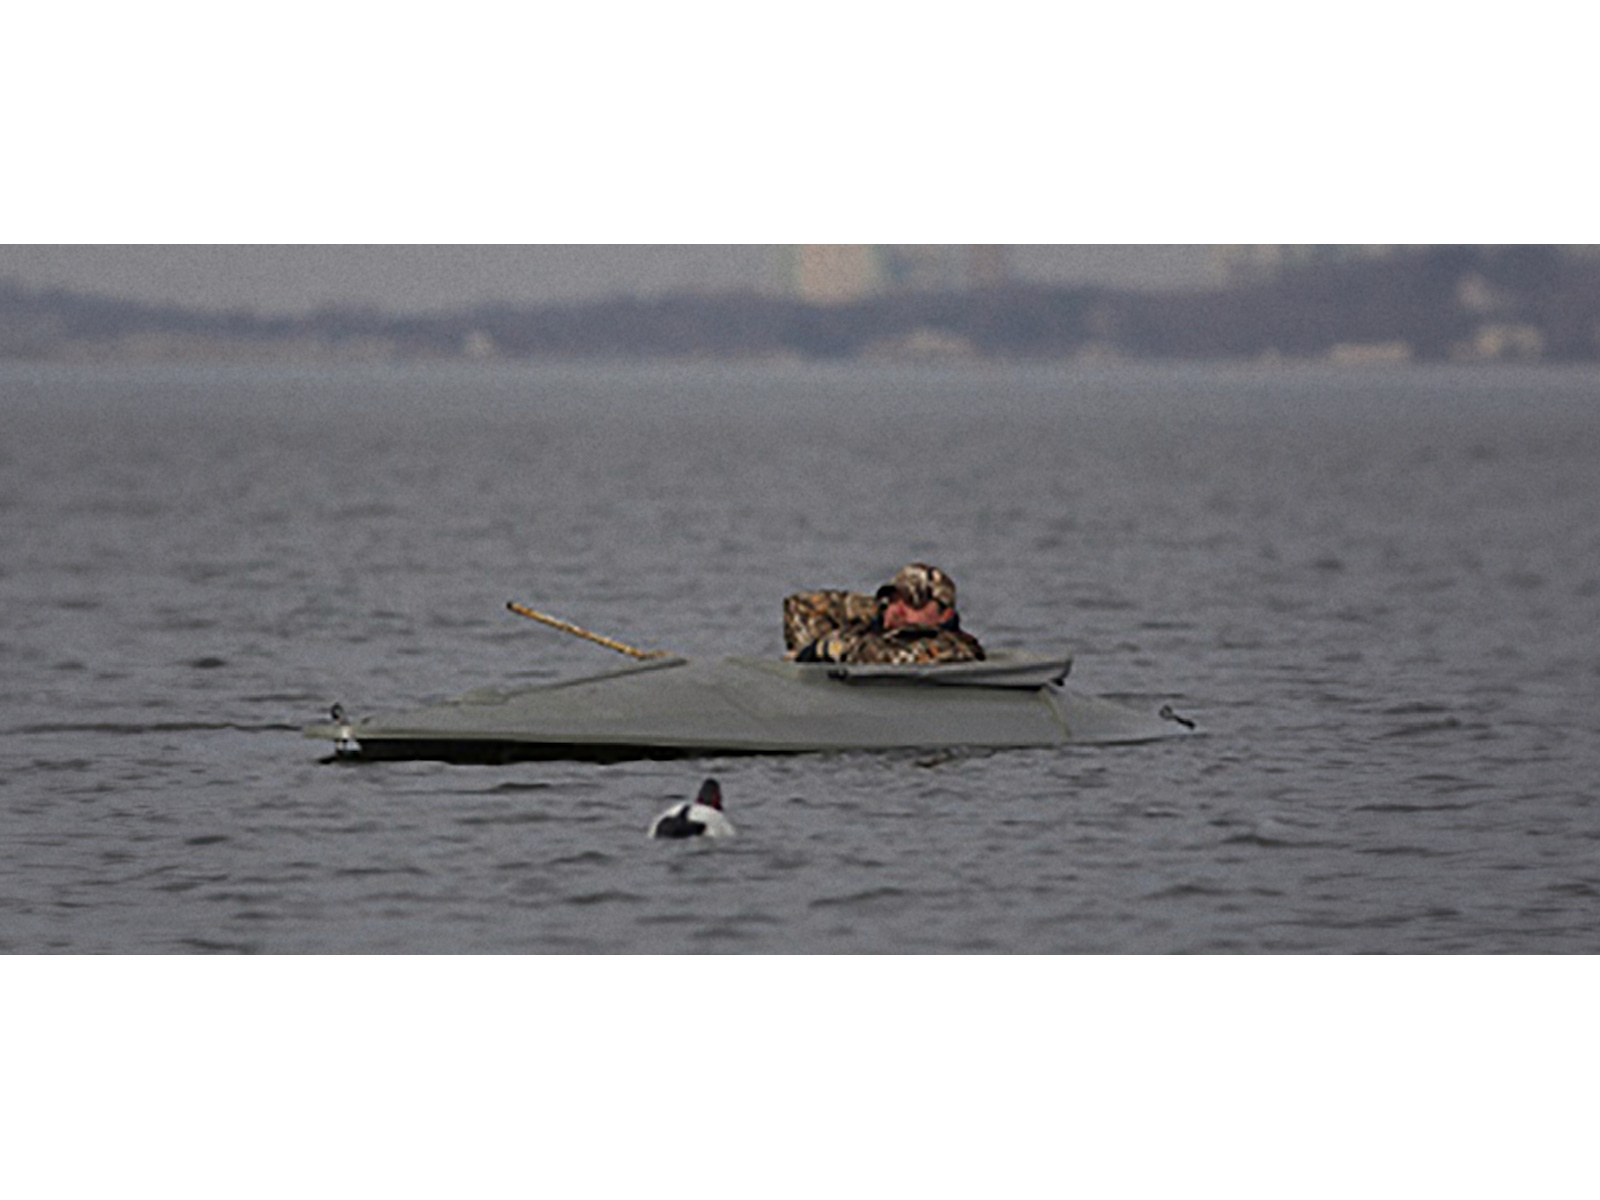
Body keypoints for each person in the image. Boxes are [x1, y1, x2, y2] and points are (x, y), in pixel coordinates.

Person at [788, 563, 985, 666]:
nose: (899, 611)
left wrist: (831, 648)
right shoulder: (879, 621)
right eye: (894, 599)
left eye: (913, 603)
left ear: (946, 615)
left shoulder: (954, 647)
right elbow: (802, 606)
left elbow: (895, 659)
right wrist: (878, 610)